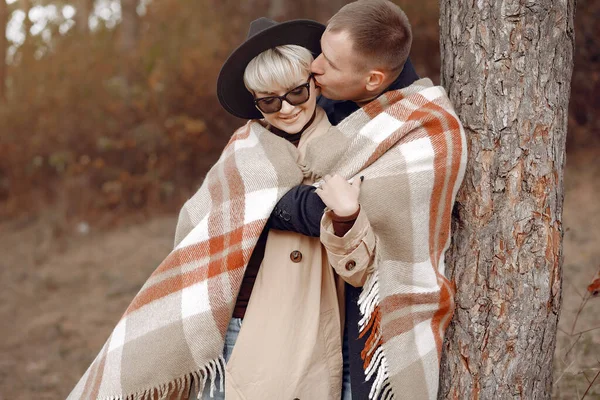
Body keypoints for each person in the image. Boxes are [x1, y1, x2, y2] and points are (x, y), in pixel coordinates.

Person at [267, 1, 463, 399]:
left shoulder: (427, 129)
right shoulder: (331, 108)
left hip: (375, 321)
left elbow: (331, 208)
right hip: (311, 305)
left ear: (373, 79)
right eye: (320, 51)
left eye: (331, 63)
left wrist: (272, 204)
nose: (315, 66)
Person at [191, 17, 376, 400]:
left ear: (314, 84)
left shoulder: (350, 145)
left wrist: (344, 219)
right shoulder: (243, 148)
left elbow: (362, 270)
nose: (287, 109)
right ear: (255, 103)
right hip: (229, 326)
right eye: (270, 101)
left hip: (303, 327)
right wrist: (309, 205)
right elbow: (205, 221)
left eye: (296, 93)